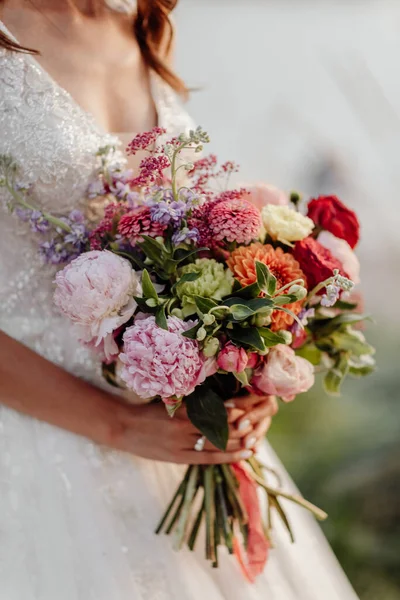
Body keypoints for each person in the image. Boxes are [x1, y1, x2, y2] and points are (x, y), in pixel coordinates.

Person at [0, 2, 359, 598]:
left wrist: (242, 380)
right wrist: (118, 425)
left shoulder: (140, 23)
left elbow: (180, 228)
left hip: (180, 428)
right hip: (41, 434)